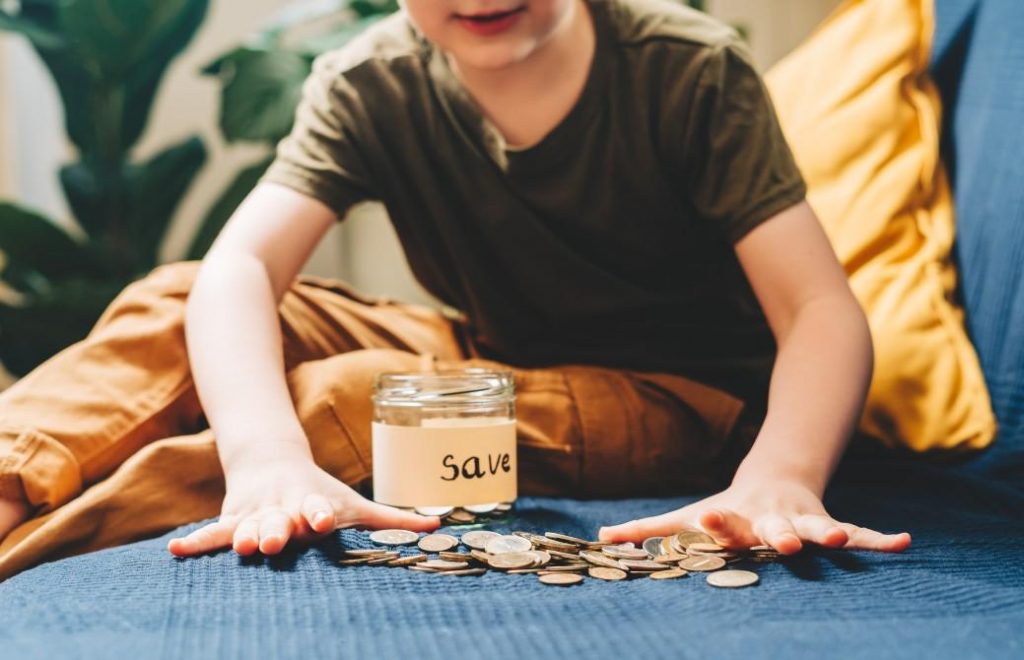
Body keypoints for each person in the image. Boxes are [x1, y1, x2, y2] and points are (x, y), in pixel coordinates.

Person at [0, 0, 910, 568]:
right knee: (181, 292)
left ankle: (30, 548)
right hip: (494, 352)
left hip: (678, 398)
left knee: (366, 404)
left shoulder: (691, 69)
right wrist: (263, 457)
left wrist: (782, 475)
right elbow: (241, 267)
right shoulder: (369, 80)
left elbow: (818, 307)